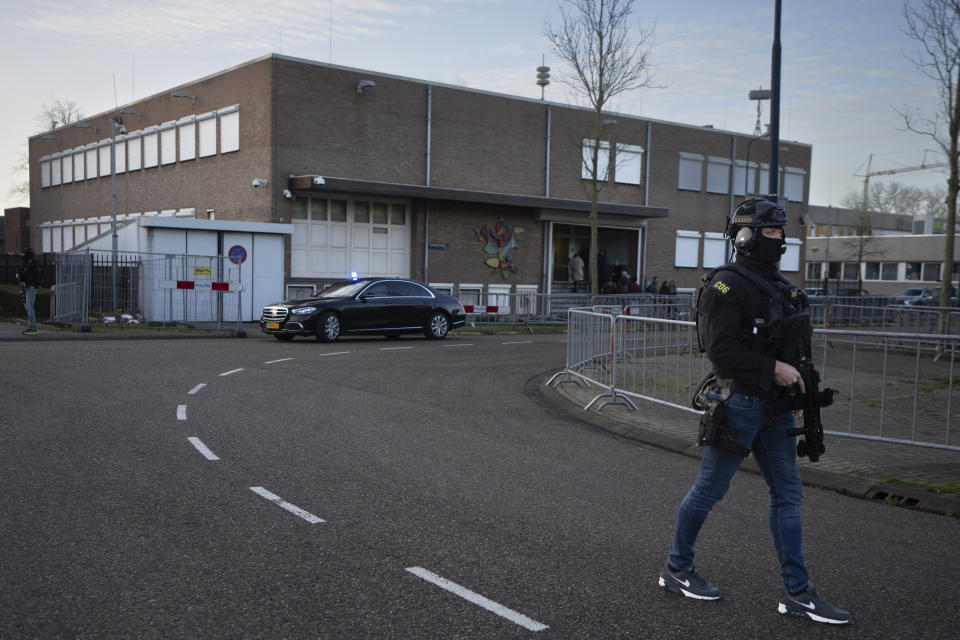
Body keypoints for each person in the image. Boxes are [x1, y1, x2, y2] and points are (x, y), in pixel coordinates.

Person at [658, 198, 851, 625]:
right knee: (710, 490)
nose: (780, 240)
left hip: (778, 409)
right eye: (772, 232)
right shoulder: (725, 285)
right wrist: (772, 369)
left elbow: (790, 345)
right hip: (741, 403)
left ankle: (799, 593)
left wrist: (799, 395)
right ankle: (677, 568)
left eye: (782, 233)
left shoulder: (778, 285)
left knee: (788, 495)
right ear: (745, 235)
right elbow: (720, 350)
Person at [16, 247, 41, 336]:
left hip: (31, 287)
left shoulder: (34, 263)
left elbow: (32, 276)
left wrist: (24, 279)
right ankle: (31, 328)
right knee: (28, 306)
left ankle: (33, 329)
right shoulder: (28, 262)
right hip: (28, 286)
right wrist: (21, 276)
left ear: (28, 254)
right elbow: (22, 271)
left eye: (23, 254)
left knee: (30, 307)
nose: (22, 256)